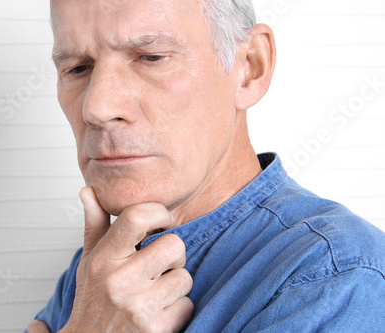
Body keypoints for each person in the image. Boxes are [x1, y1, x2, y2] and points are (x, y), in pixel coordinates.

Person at [26, 0, 385, 332]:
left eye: (151, 57)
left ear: (249, 68)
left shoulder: (338, 277)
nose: (97, 108)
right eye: (77, 68)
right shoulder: (100, 268)